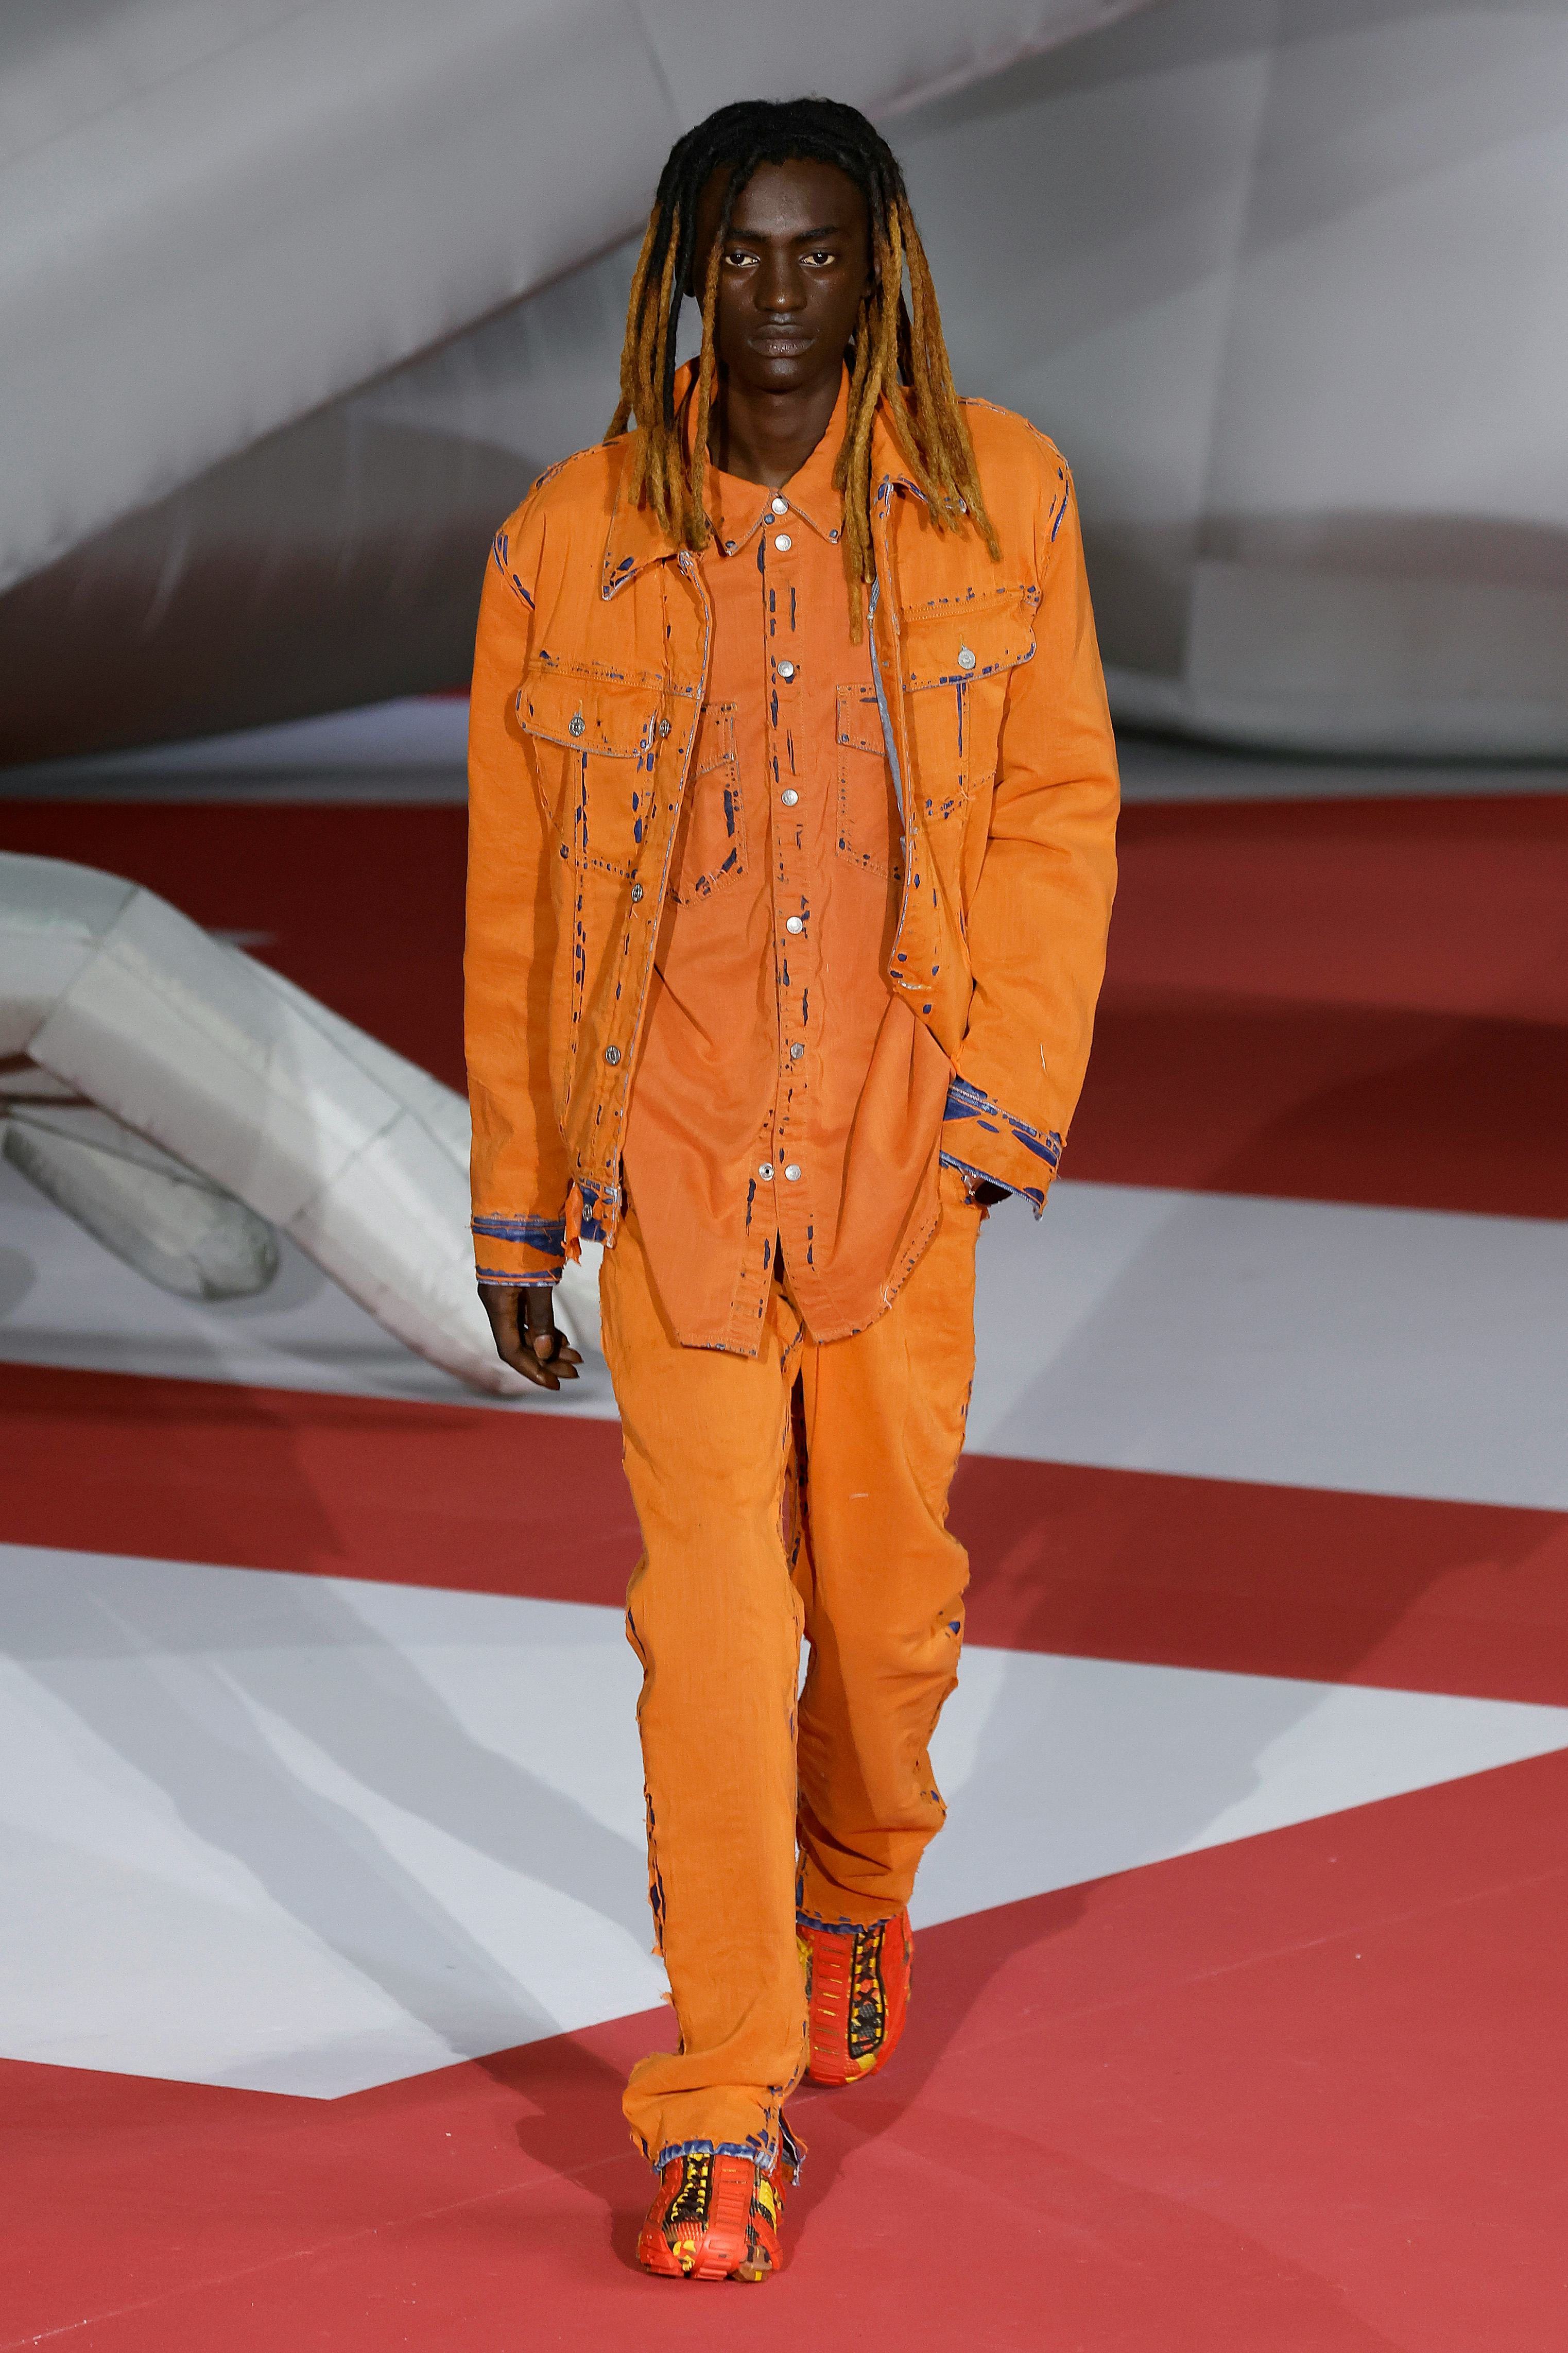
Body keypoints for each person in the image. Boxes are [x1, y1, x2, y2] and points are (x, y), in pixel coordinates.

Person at [464, 95, 1118, 2283]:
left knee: (891, 1611)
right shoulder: (565, 542)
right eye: (736, 258)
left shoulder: (999, 501)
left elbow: (1056, 807)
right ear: (674, 278)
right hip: (667, 1169)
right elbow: (515, 888)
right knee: (711, 1636)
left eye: (814, 255)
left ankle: (864, 1872)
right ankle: (721, 2100)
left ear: (880, 271)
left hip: (890, 1159)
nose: (775, 299)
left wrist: (999, 1104)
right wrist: (521, 1197)